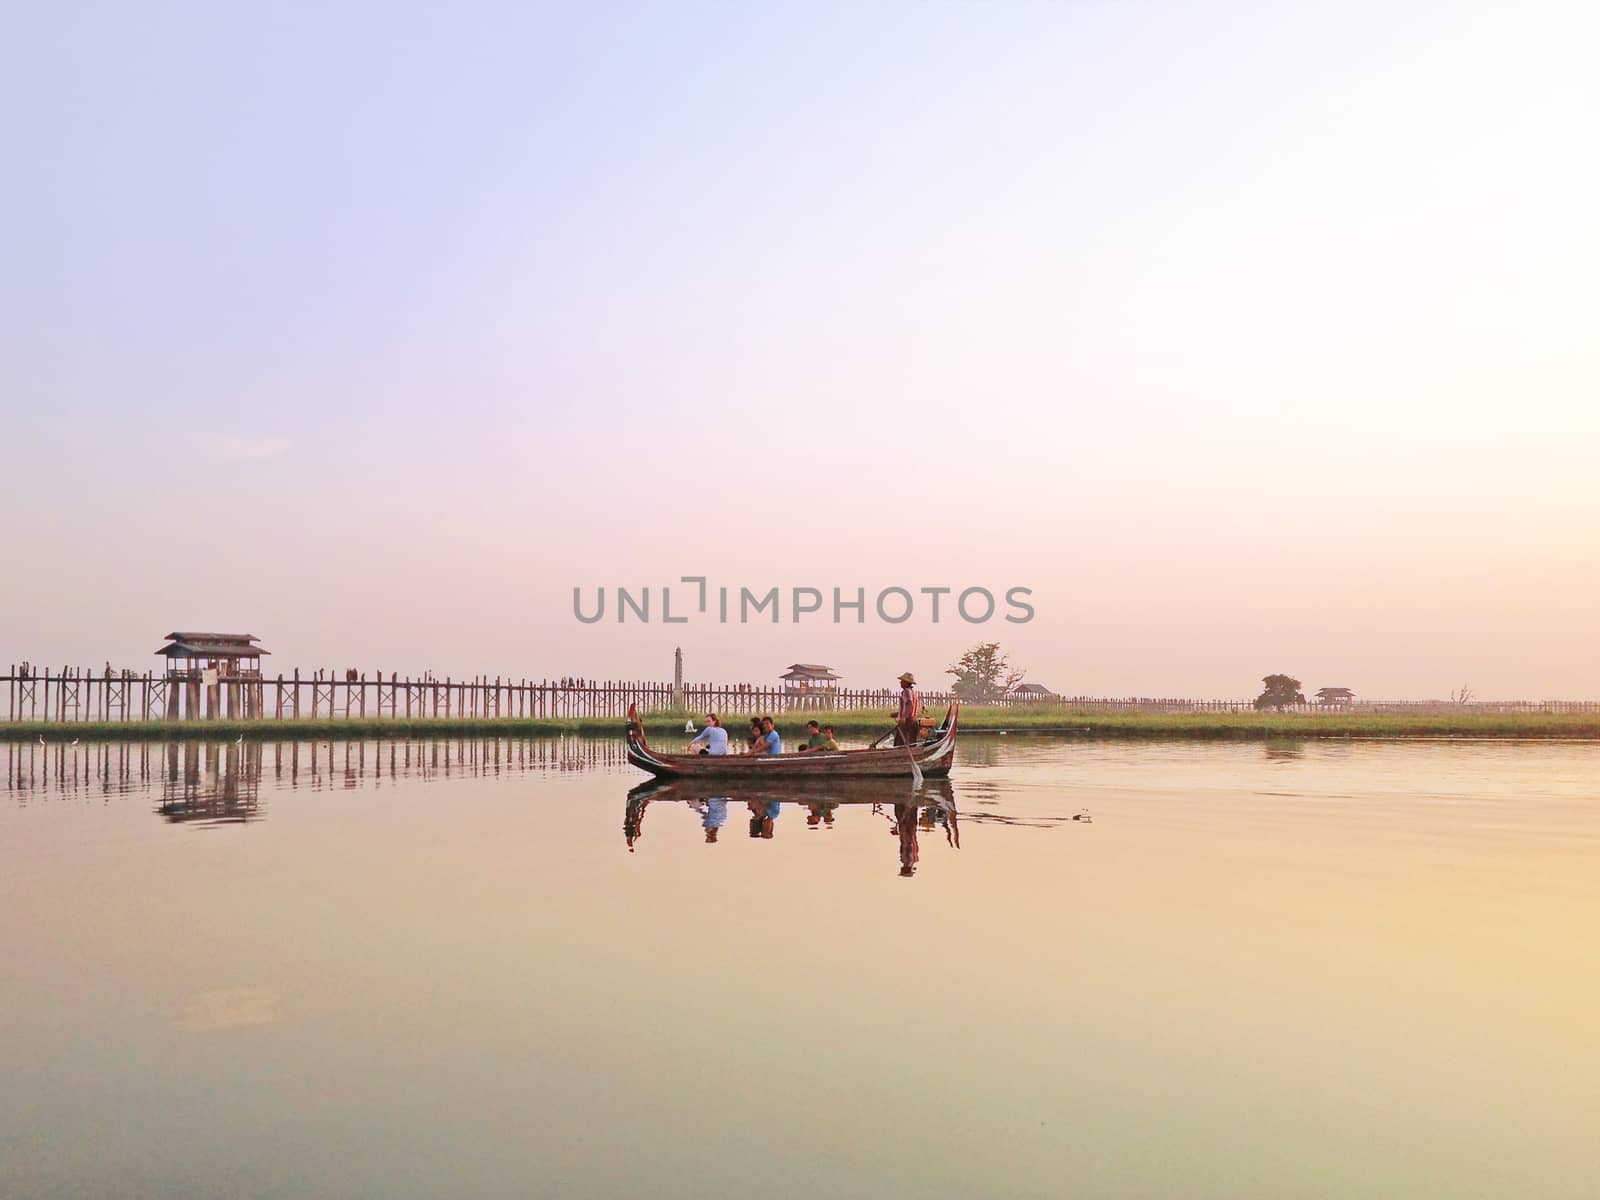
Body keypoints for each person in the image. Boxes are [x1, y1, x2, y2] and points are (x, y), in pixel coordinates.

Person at [890, 671, 921, 745]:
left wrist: (903, 717)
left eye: (902, 681)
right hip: (912, 722)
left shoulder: (906, 691)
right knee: (910, 745)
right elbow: (908, 708)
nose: (900, 682)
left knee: (900, 745)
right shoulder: (911, 692)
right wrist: (897, 714)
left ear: (906, 683)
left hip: (907, 723)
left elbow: (910, 704)